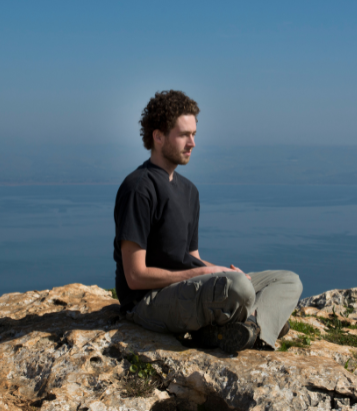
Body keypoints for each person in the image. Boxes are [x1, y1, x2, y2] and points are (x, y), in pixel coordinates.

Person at [113, 90, 303, 352]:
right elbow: (135, 276)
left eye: (194, 135)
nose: (192, 143)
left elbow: (192, 257)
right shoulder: (138, 188)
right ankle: (259, 319)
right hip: (148, 302)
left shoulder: (189, 191)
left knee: (287, 280)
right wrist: (207, 274)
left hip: (187, 289)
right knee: (238, 289)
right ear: (158, 137)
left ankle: (250, 329)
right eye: (183, 135)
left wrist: (223, 271)